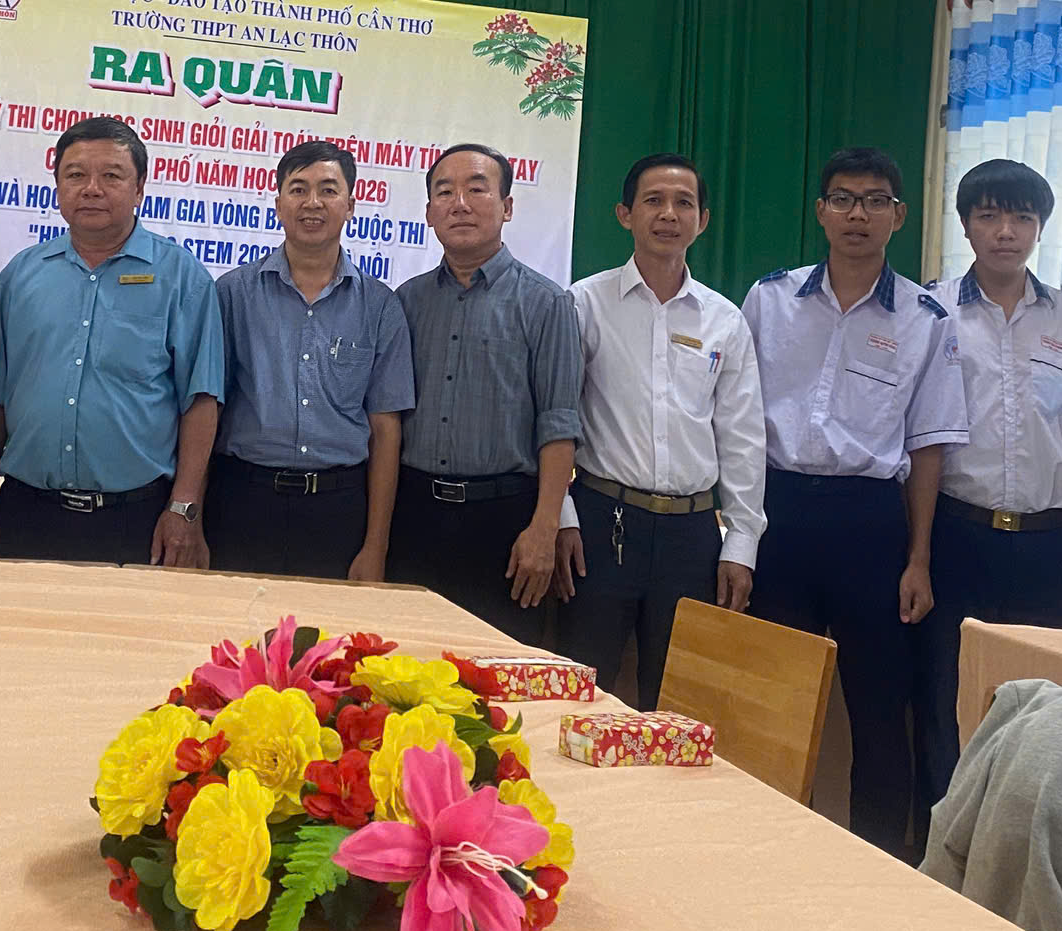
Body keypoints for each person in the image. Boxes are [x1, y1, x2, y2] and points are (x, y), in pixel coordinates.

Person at [743, 145, 966, 856]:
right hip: (778, 516)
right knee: (771, 704)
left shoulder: (927, 319)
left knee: (879, 712)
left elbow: (928, 447)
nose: (857, 215)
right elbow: (735, 422)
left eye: (874, 201)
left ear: (899, 215)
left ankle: (881, 863)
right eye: (842, 199)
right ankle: (762, 854)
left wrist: (918, 558)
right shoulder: (769, 300)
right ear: (821, 211)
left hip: (871, 526)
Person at [913, 158, 1062, 814]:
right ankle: (944, 840)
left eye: (1021, 217)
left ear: (1039, 228)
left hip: (1046, 546)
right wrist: (918, 555)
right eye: (989, 216)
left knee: (1039, 709)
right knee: (947, 698)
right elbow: (923, 442)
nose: (1005, 231)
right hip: (957, 534)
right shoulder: (933, 309)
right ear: (966, 225)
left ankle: (1016, 841)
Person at [557, 154, 765, 711]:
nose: (668, 214)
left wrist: (741, 542)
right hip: (600, 525)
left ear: (703, 220)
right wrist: (562, 515)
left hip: (692, 537)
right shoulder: (584, 303)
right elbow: (556, 418)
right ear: (624, 214)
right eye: (653, 200)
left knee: (679, 707)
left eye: (683, 203)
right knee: (581, 694)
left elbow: (743, 438)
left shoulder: (724, 320)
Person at [0, 117, 222, 565]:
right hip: (26, 513)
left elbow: (200, 401)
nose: (91, 189)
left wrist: (184, 508)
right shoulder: (21, 276)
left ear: (140, 187)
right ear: (57, 185)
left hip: (136, 520)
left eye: (111, 176)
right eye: (76, 175)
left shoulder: (182, 278)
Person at [392, 143, 579, 644]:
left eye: (476, 189)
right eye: (444, 192)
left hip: (504, 521)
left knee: (494, 672)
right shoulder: (406, 301)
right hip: (414, 514)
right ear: (429, 211)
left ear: (507, 206)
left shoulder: (547, 303)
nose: (460, 204)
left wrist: (544, 529)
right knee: (404, 664)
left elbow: (559, 426)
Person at [208, 139, 414, 580]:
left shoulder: (380, 306)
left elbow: (385, 430)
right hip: (243, 501)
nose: (313, 203)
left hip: (338, 509)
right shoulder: (232, 294)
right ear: (278, 204)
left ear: (350, 205)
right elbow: (208, 410)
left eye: (328, 189)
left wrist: (376, 545)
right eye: (298, 189)